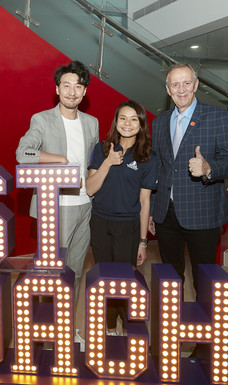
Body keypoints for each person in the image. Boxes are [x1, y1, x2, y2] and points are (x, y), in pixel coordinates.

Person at [150, 63, 228, 293]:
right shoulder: (159, 122)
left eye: (187, 83)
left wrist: (209, 168)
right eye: (175, 84)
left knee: (205, 280)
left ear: (196, 85)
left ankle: (203, 325)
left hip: (202, 213)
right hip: (165, 215)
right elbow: (158, 167)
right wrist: (152, 209)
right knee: (170, 279)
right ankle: (173, 326)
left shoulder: (218, 116)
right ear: (168, 89)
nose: (181, 90)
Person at [16, 60, 99, 297]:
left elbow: (92, 162)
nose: (72, 92)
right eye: (67, 86)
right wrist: (58, 159)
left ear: (84, 91)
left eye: (78, 86)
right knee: (51, 274)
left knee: (76, 270)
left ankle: (67, 330)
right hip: (57, 206)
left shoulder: (91, 123)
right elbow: (23, 153)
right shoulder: (42, 119)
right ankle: (48, 329)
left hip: (86, 205)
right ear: (57, 89)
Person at [86, 100, 158, 335]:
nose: (127, 124)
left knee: (126, 282)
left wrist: (142, 241)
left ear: (141, 124)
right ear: (116, 122)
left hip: (128, 226)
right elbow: (90, 189)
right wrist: (108, 161)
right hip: (100, 223)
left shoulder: (148, 157)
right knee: (104, 279)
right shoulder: (100, 149)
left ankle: (129, 330)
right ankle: (108, 329)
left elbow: (145, 201)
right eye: (123, 118)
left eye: (133, 119)